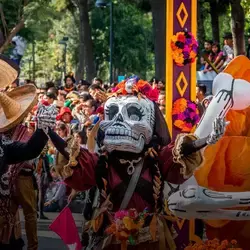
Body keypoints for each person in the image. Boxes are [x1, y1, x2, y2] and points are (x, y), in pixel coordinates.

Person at [51, 76, 224, 250]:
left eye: (133, 114)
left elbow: (181, 152)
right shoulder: (104, 162)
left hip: (150, 238)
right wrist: (48, 133)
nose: (119, 122)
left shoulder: (156, 159)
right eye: (112, 114)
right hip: (112, 239)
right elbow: (74, 159)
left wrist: (206, 140)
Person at [0, 55, 57, 250]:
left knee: (27, 213)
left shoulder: (8, 141)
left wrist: (42, 130)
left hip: (20, 178)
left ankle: (32, 245)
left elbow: (28, 150)